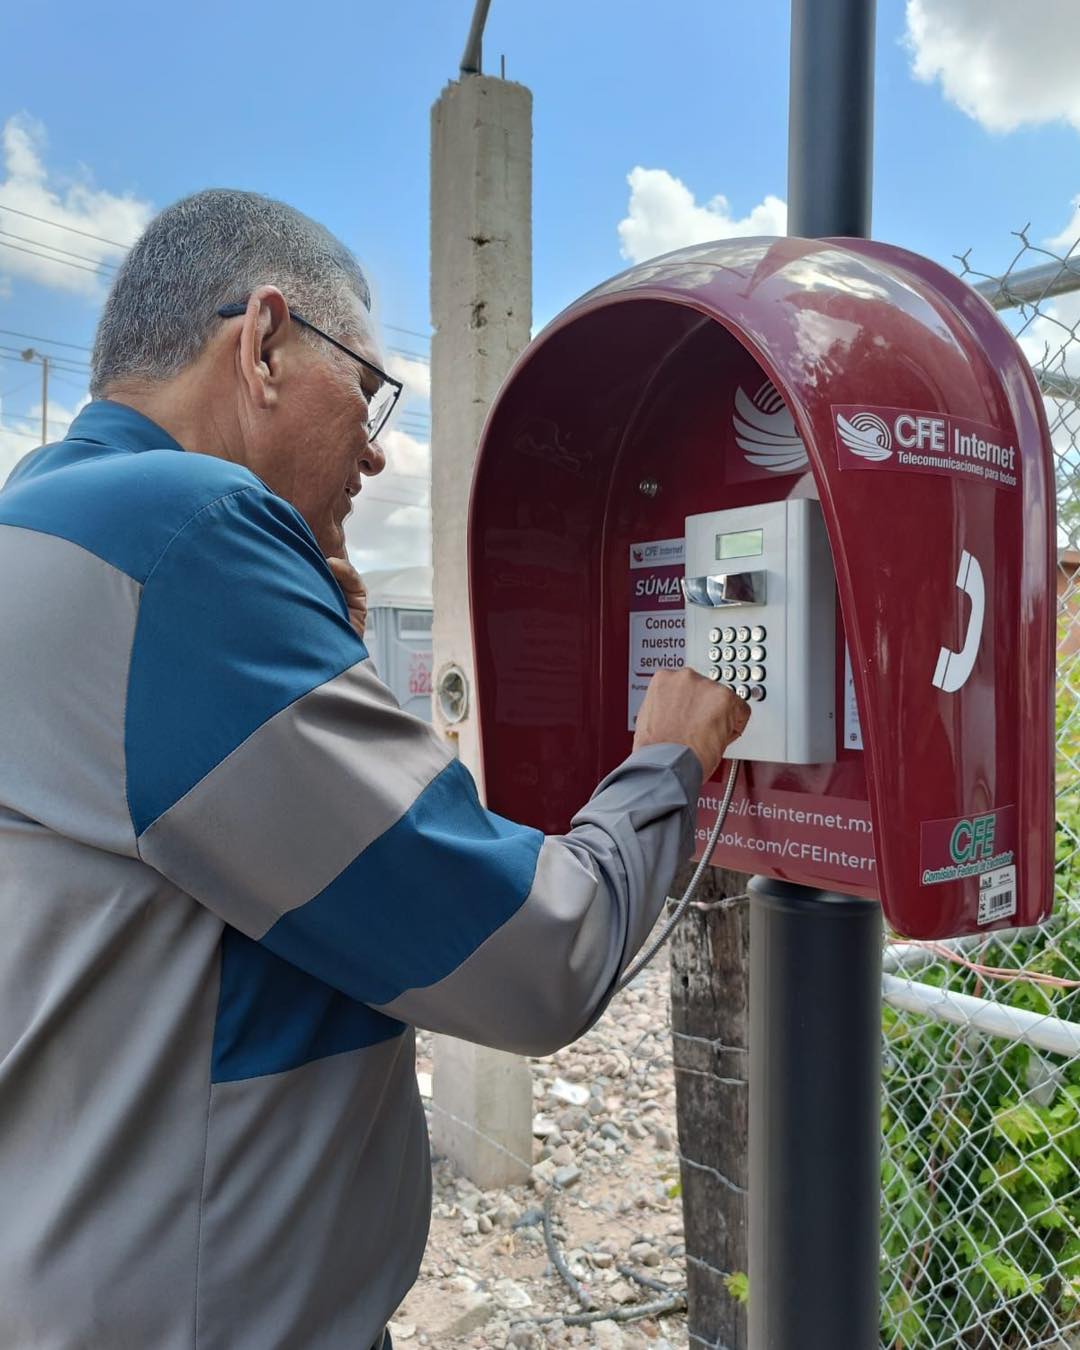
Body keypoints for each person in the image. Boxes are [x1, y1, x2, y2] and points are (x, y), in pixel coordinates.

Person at [0, 189, 749, 1350]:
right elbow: (538, 955)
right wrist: (667, 761)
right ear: (263, 342)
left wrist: (317, 658)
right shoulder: (186, 533)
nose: (378, 446)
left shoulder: (41, 520)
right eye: (367, 386)